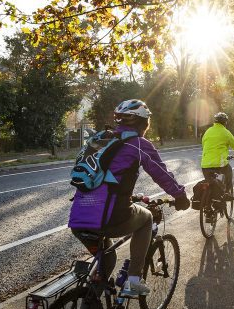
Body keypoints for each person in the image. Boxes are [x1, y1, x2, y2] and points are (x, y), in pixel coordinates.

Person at [68, 99, 191, 297]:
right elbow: (161, 173)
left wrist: (127, 195)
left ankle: (91, 307)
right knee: (147, 219)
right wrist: (180, 195)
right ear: (144, 123)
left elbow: (102, 180)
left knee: (107, 260)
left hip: (78, 219)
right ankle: (133, 282)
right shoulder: (138, 144)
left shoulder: (102, 140)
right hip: (108, 218)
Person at [201, 112, 234, 200]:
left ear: (215, 122)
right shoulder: (226, 132)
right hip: (220, 164)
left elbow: (203, 144)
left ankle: (208, 204)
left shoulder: (208, 131)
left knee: (209, 182)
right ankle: (227, 193)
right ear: (225, 122)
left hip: (205, 164)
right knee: (229, 171)